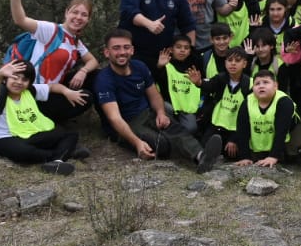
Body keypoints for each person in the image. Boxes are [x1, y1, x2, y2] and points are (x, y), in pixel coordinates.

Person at [95, 29, 222, 172]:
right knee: (161, 144)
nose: (122, 52)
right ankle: (176, 150)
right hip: (127, 122)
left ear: (132, 50)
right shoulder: (104, 79)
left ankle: (201, 156)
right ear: (107, 53)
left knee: (173, 127)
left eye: (126, 47)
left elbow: (154, 95)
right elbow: (114, 118)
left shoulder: (139, 67)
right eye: (116, 48)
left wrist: (161, 113)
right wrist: (137, 143)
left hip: (147, 112)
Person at [2, 0, 98, 122]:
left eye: (84, 15)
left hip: (52, 89)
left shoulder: (75, 41)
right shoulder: (50, 30)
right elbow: (21, 20)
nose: (78, 17)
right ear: (67, 13)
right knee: (86, 98)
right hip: (33, 90)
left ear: (88, 20)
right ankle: (41, 117)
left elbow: (93, 61)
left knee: (95, 76)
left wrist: (83, 71)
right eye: (75, 12)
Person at [0, 60, 87, 174]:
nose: (19, 82)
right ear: (5, 79)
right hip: (3, 138)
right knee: (23, 152)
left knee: (69, 134)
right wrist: (0, 74)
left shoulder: (29, 91)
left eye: (24, 79)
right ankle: (61, 155)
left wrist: (67, 91)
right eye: (15, 77)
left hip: (28, 134)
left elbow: (52, 87)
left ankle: (57, 161)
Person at [118, 0, 198, 70]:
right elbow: (130, 12)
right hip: (135, 54)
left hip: (163, 56)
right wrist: (149, 24)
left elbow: (188, 25)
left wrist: (191, 51)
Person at [235, 70, 298, 168]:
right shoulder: (247, 101)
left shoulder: (284, 102)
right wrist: (245, 156)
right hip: (260, 146)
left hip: (286, 143)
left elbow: (281, 131)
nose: (261, 86)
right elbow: (242, 130)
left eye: (266, 82)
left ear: (275, 86)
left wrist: (273, 156)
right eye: (257, 84)